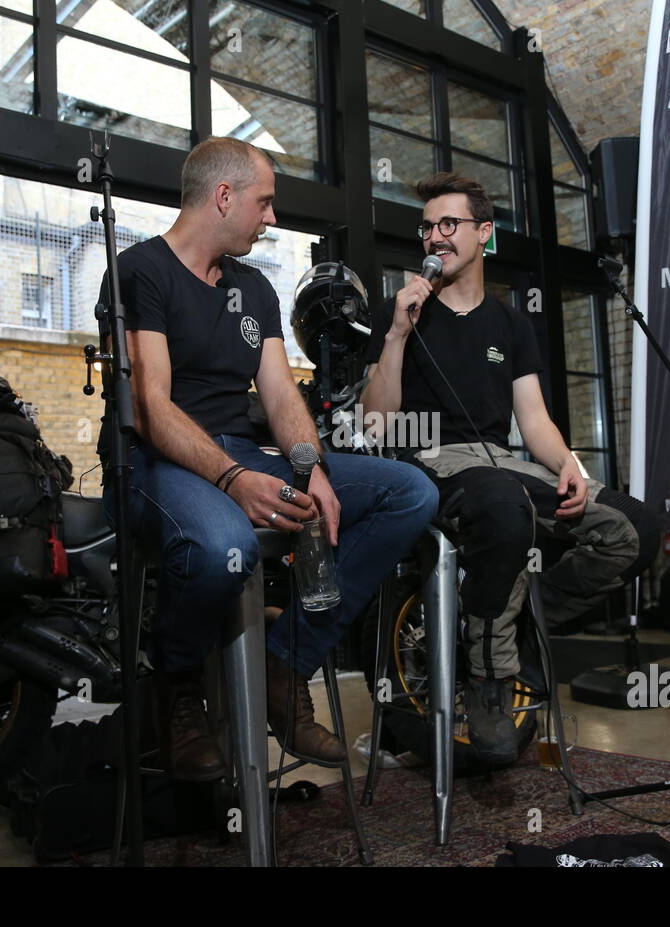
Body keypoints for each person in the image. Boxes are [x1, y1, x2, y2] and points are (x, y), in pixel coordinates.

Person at [97, 137, 437, 779]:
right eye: (265, 203)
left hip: (247, 455)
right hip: (158, 462)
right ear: (223, 197)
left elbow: (279, 392)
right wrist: (233, 477)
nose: (272, 218)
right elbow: (150, 405)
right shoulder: (141, 270)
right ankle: (177, 695)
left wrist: (311, 467)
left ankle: (284, 665)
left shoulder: (253, 288)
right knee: (226, 545)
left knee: (410, 493)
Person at [359, 172, 657, 766]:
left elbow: (534, 418)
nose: (436, 236)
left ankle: (510, 625)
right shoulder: (402, 312)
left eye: (450, 224)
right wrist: (396, 335)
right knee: (501, 502)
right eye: (428, 226)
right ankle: (490, 679)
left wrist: (570, 465)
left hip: (505, 461)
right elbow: (376, 423)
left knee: (635, 530)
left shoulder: (511, 323)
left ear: (484, 233)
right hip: (432, 460)